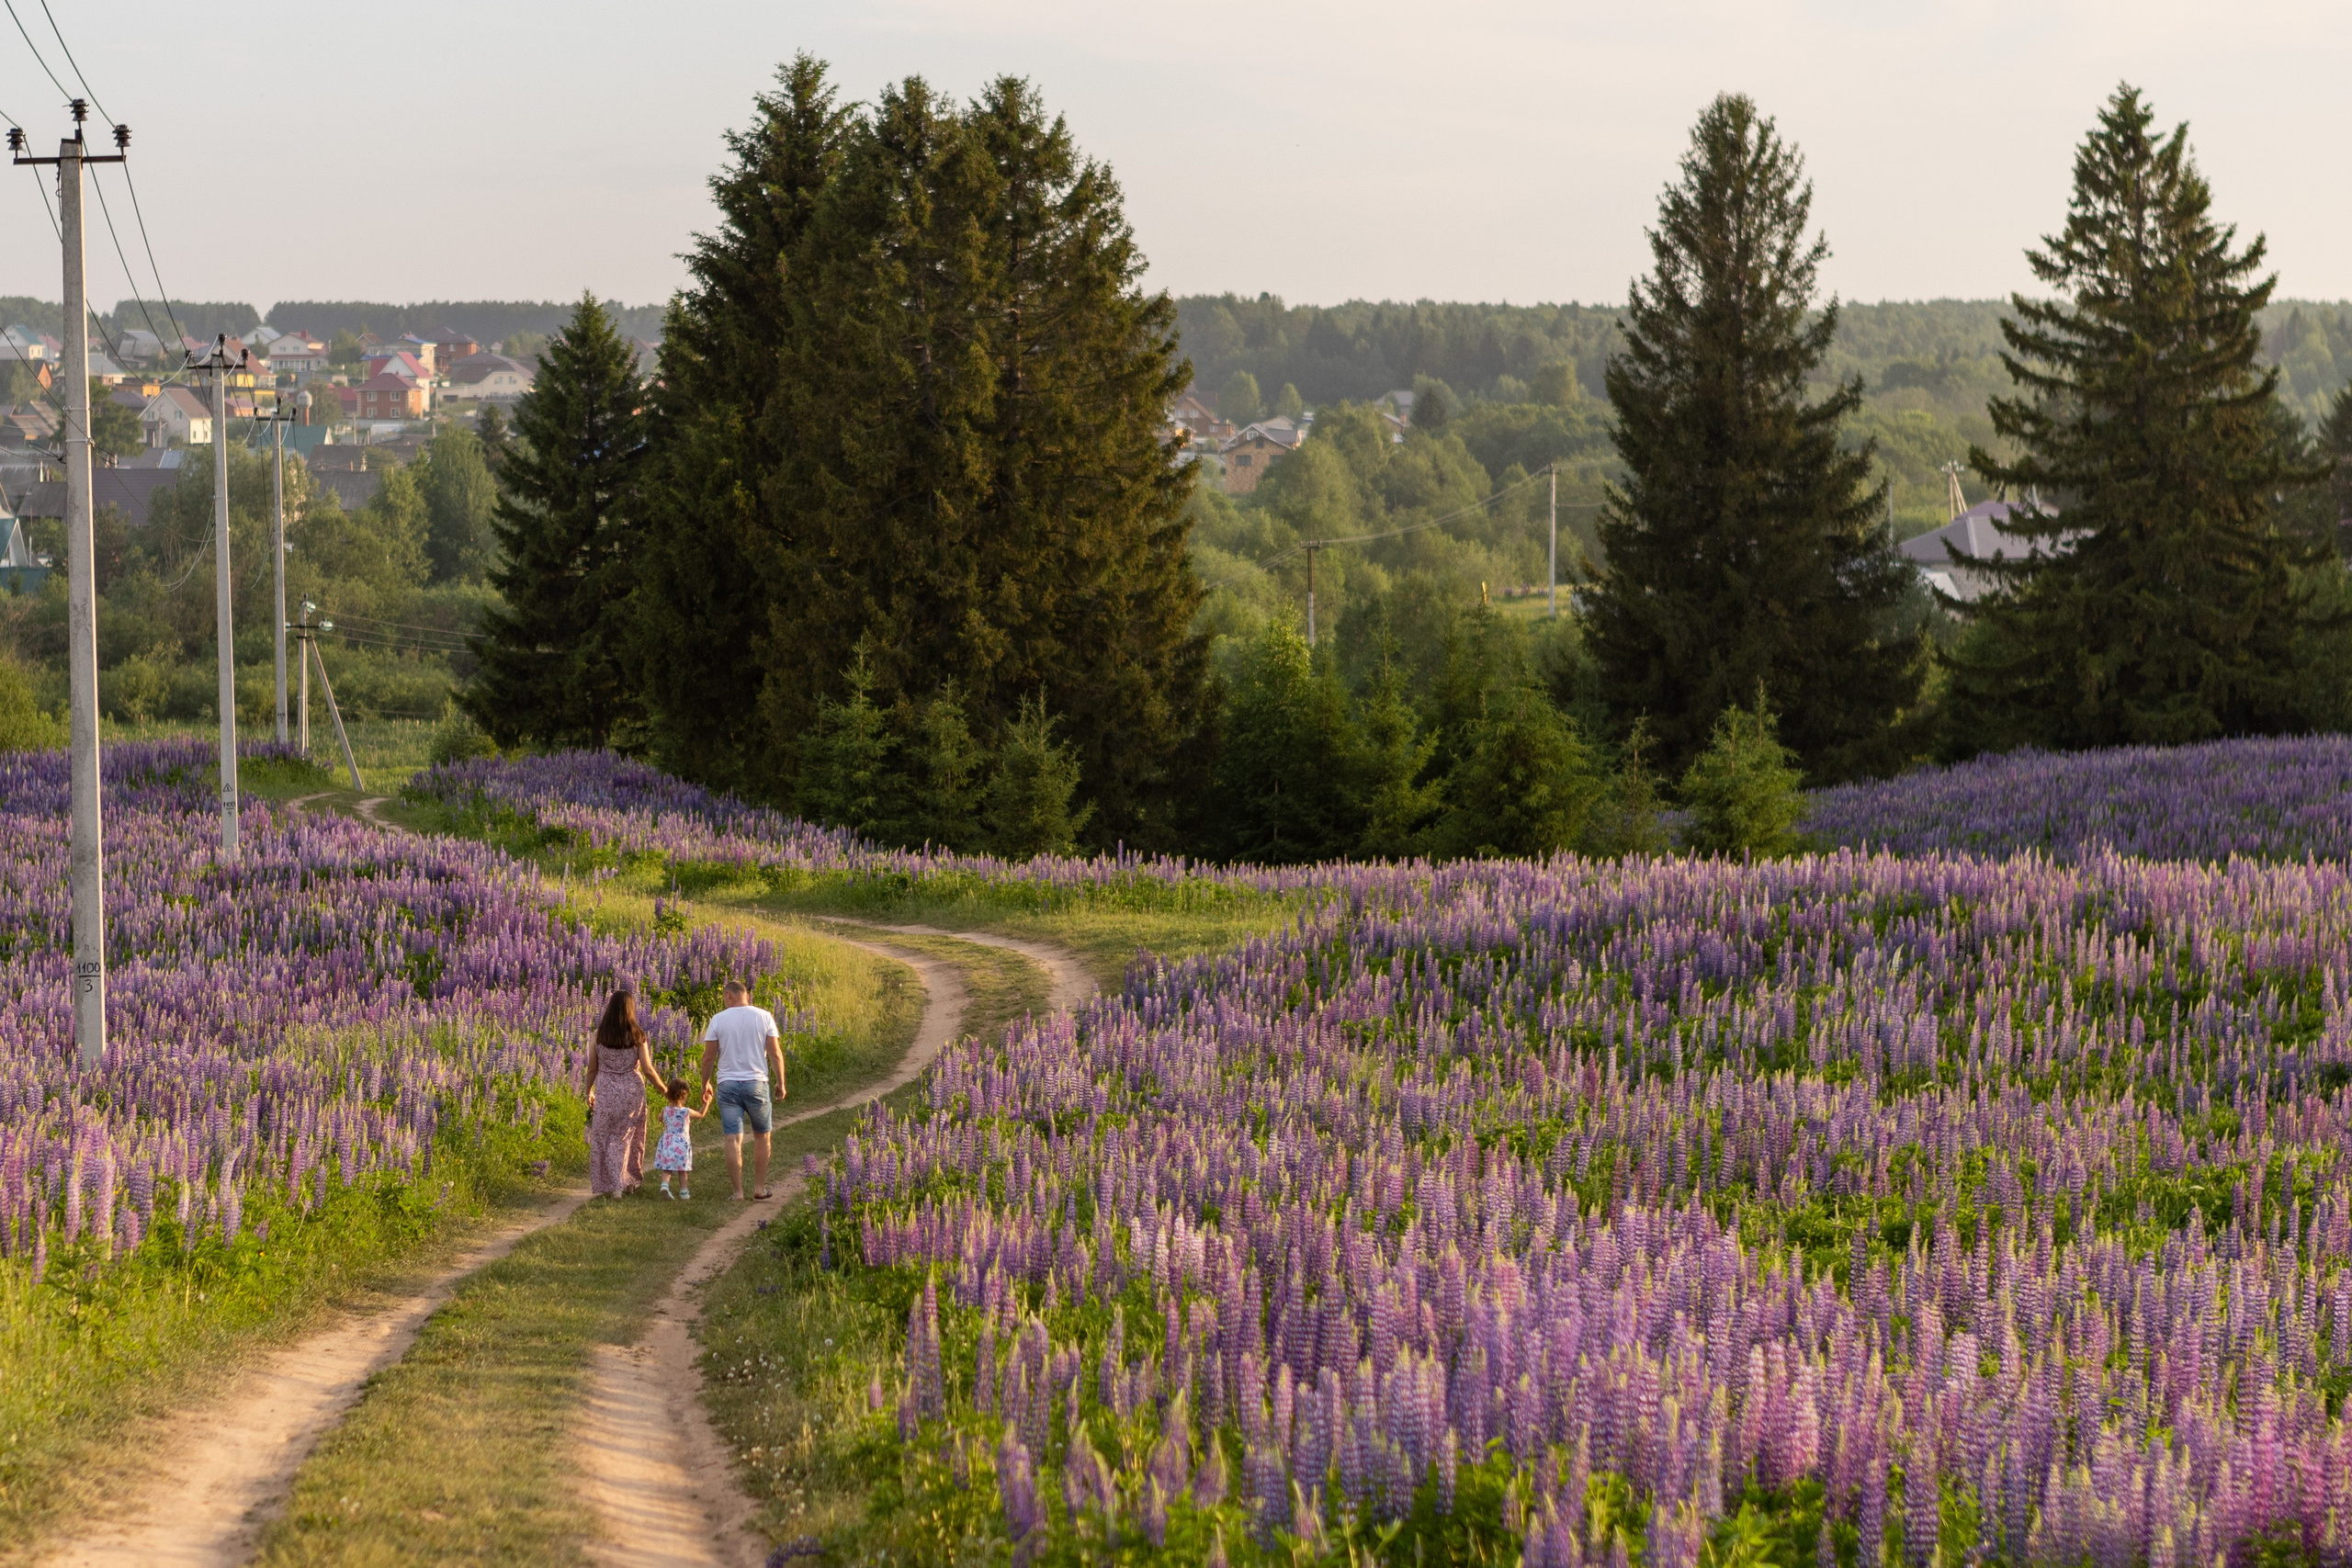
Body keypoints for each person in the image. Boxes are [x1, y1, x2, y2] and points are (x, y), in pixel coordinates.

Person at [699, 979, 786, 1201]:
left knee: (732, 1139)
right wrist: (780, 1082)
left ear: (729, 995)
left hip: (727, 1086)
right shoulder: (764, 1016)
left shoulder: (718, 1019)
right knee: (762, 1136)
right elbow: (775, 1053)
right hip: (757, 1083)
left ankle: (737, 1192)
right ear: (745, 995)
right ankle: (759, 1188)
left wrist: (705, 1083)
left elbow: (708, 1057)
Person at [585, 988, 656, 1197]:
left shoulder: (598, 1036)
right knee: (629, 1138)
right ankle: (628, 1182)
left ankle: (610, 1185)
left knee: (604, 1137)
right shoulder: (637, 1035)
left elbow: (592, 1068)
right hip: (632, 1092)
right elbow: (648, 1069)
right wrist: (664, 1089)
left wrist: (588, 1091)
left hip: (606, 1092)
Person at [651, 1077, 704, 1200]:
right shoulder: (686, 1111)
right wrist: (706, 1103)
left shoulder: (665, 1110)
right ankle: (684, 1192)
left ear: (668, 1094)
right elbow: (701, 1114)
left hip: (668, 1141)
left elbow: (659, 1119)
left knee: (667, 1168)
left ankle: (664, 1185)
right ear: (684, 1096)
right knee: (682, 1170)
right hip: (681, 1144)